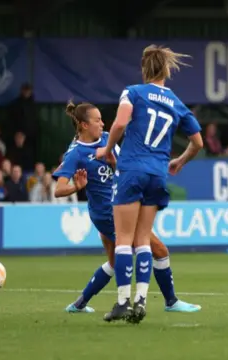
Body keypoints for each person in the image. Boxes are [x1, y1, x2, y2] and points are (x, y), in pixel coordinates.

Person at [54, 101, 201, 316]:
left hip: (116, 206)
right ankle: (170, 301)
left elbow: (122, 166)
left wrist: (114, 163)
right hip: (108, 212)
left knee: (114, 263)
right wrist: (76, 187)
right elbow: (58, 189)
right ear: (84, 125)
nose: (103, 123)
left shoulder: (106, 139)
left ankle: (78, 304)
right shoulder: (76, 153)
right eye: (97, 120)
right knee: (159, 251)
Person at [97, 45, 203, 324]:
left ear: (145, 69)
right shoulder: (176, 102)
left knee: (123, 240)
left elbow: (119, 124)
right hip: (158, 173)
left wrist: (108, 149)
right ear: (166, 71)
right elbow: (198, 142)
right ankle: (141, 300)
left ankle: (122, 302)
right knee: (143, 239)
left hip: (132, 169)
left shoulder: (133, 92)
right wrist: (179, 161)